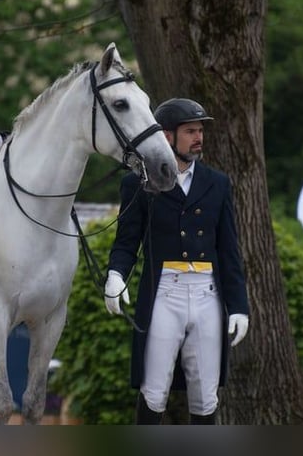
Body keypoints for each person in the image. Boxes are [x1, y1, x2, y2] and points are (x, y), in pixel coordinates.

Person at [104, 97, 250, 425]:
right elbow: (126, 242)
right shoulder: (139, 183)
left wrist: (239, 305)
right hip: (164, 293)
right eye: (190, 131)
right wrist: (116, 274)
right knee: (154, 390)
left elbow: (229, 250)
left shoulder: (217, 183)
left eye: (200, 131)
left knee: (205, 393)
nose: (198, 137)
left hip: (207, 294)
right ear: (168, 136)